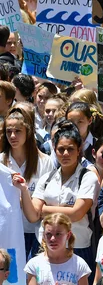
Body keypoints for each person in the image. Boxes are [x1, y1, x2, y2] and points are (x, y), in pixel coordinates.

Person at [14, 121, 100, 280]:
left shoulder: (88, 178)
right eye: (61, 149)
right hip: (45, 247)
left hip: (77, 247)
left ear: (79, 150)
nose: (65, 153)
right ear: (54, 150)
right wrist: (25, 192)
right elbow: (33, 215)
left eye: (70, 149)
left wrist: (45, 209)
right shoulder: (46, 179)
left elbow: (76, 214)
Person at [1, 105, 54, 259]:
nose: (12, 136)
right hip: (7, 233)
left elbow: (46, 201)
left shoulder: (45, 162)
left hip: (36, 233)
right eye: (8, 131)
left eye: (17, 131)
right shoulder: (1, 161)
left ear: (28, 132)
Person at [24, 213, 91, 285]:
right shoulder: (34, 264)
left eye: (58, 234)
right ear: (43, 235)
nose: (53, 239)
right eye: (49, 234)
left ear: (68, 235)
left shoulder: (79, 264)